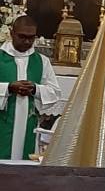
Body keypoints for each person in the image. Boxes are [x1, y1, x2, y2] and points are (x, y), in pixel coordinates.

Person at [0, 15, 61, 159]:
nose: (27, 41)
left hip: (29, 123)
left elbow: (54, 92)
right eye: (22, 36)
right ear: (12, 33)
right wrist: (8, 88)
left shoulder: (42, 61)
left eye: (31, 37)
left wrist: (35, 89)